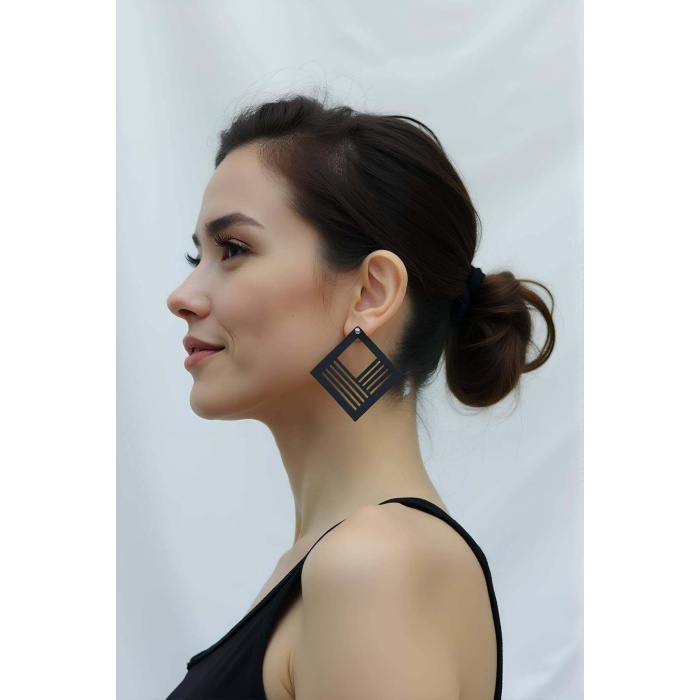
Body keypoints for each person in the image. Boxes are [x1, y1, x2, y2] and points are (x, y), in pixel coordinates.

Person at [164, 93, 555, 700]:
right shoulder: (334, 563)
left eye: (233, 250)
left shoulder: (372, 566)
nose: (183, 296)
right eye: (198, 255)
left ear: (371, 293)